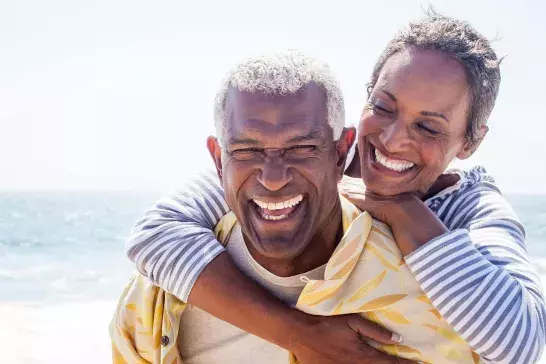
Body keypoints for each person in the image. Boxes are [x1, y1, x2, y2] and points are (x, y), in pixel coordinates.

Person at [124, 12, 545, 364]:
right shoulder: (313, 161)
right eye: (383, 107)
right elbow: (155, 236)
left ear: (469, 141)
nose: (394, 139)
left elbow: (520, 342)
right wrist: (299, 334)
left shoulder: (469, 210)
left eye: (428, 126)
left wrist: (404, 213)